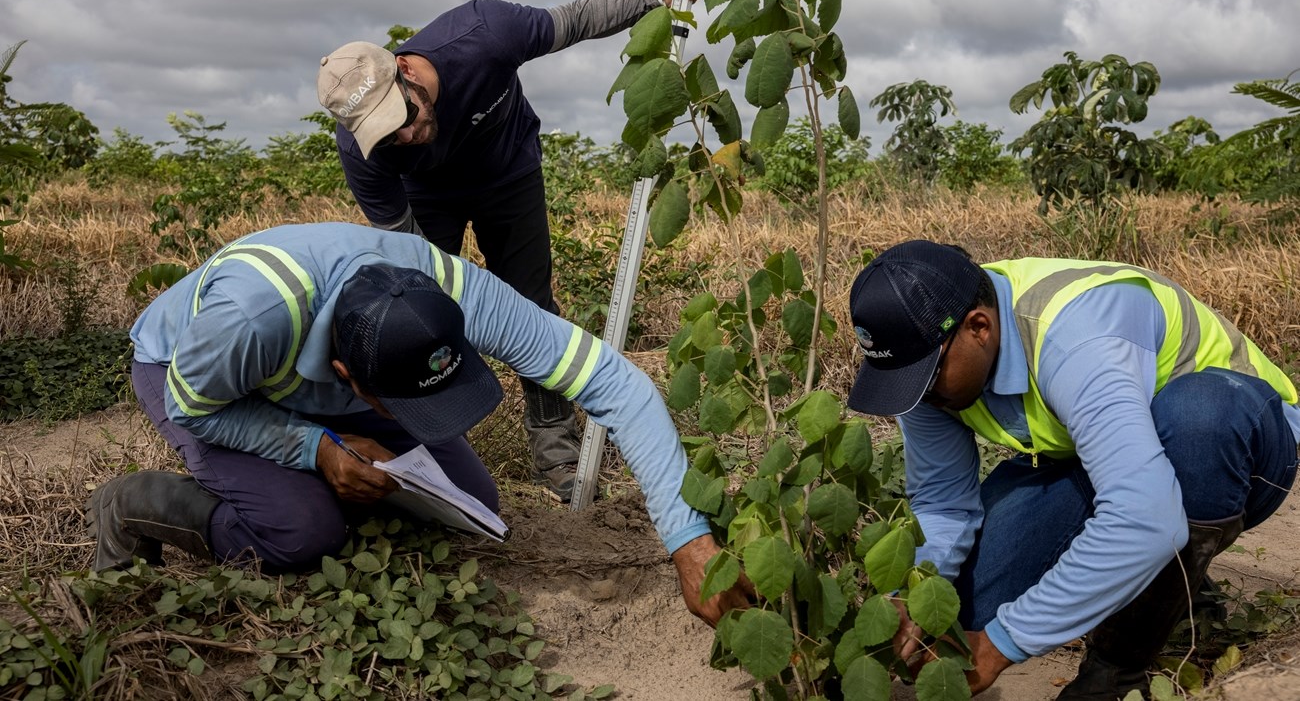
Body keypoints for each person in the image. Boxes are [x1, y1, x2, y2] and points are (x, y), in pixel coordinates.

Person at [85, 222, 750, 627]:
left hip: (312, 372)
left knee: (472, 503)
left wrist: (689, 542)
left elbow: (616, 383)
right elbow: (192, 407)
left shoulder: (450, 291)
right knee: (302, 533)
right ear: (345, 377)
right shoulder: (251, 319)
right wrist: (315, 448)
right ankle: (132, 503)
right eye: (406, 406)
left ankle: (325, 482)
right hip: (197, 380)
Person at [844, 240, 1299, 698]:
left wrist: (1001, 644)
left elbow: (1145, 519)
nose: (918, 396)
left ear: (979, 327)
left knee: (1199, 419)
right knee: (963, 610)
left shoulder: (1075, 334)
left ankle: (1116, 670)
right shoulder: (923, 360)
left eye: (926, 377)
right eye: (901, 381)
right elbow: (944, 503)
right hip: (1096, 459)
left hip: (1242, 448)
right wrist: (917, 590)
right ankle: (1167, 586)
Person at [315, 0, 706, 501]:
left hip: (509, 175)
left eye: (402, 115)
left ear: (404, 69)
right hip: (426, 197)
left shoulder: (483, 34)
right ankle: (429, 442)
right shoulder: (362, 155)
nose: (404, 135)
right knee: (412, 312)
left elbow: (576, 20)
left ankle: (554, 446)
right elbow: (407, 254)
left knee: (532, 303)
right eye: (386, 135)